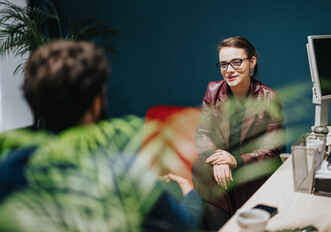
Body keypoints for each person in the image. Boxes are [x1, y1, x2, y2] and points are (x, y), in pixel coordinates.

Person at [0, 40, 202, 231]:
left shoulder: (8, 169)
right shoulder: (125, 174)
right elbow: (184, 226)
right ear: (96, 103)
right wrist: (190, 192)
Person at [192, 36, 284, 230]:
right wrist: (220, 160)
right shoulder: (213, 90)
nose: (229, 70)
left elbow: (272, 147)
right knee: (200, 166)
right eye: (223, 64)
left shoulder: (269, 98)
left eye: (236, 62)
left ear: (252, 62)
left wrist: (235, 160)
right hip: (222, 172)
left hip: (253, 170)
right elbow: (203, 134)